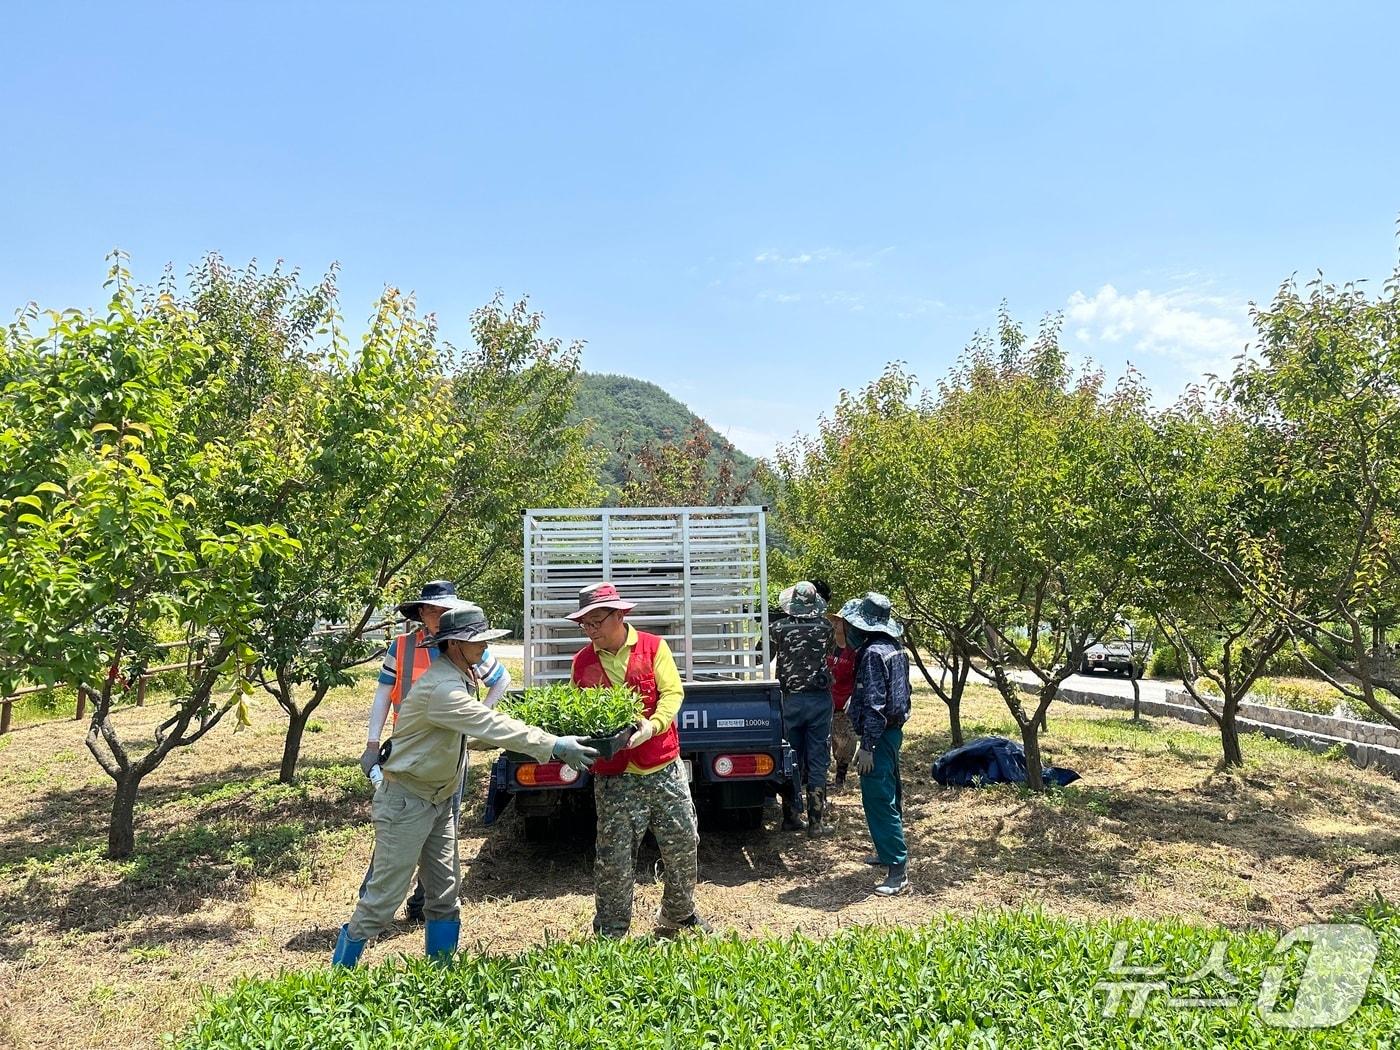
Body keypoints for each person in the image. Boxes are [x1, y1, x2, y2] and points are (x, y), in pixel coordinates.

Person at [332, 606, 599, 966]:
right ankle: (339, 979)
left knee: (444, 895)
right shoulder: (443, 688)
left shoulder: (461, 675)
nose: (485, 647)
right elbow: (490, 724)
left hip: (437, 801)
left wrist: (525, 738)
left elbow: (470, 734)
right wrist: (552, 745)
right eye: (479, 641)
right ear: (456, 644)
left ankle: (440, 975)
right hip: (407, 802)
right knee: (382, 902)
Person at [360, 580, 510, 923]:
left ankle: (423, 904)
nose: (439, 615)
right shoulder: (401, 647)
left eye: (445, 609)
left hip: (449, 756)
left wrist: (478, 719)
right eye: (433, 609)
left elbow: (501, 679)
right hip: (407, 753)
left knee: (444, 828)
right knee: (398, 829)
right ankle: (371, 907)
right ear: (421, 613)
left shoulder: (466, 645)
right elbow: (384, 694)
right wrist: (372, 743)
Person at [568, 582, 708, 939]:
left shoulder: (653, 647)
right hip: (614, 777)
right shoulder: (582, 662)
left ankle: (678, 914)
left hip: (661, 767)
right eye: (585, 625)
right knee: (613, 858)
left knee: (682, 842)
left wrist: (654, 726)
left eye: (596, 621)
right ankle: (611, 931)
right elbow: (579, 712)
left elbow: (673, 693)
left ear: (619, 615)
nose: (591, 630)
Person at [839, 592, 912, 896]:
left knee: (879, 798)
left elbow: (875, 704)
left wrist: (867, 745)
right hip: (892, 733)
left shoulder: (871, 655)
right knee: (889, 792)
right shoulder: (893, 648)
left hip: (879, 736)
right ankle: (886, 852)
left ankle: (897, 869)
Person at [769, 581, 835, 836]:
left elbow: (760, 655)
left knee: (789, 758)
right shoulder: (826, 628)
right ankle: (816, 822)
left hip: (789, 700)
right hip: (819, 700)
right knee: (818, 758)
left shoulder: (778, 628)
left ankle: (791, 816)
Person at [827, 614, 859, 789]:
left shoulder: (854, 651)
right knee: (831, 740)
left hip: (845, 702)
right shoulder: (828, 647)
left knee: (846, 741)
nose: (835, 624)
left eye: (839, 621)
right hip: (827, 702)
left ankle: (841, 777)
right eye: (834, 621)